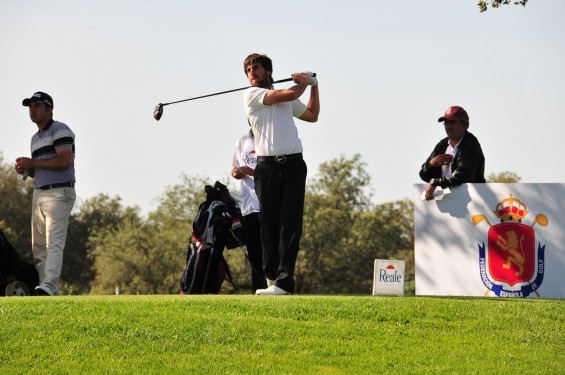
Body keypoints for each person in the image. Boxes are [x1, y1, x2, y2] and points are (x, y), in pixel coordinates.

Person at [242, 53, 320, 295]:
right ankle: (272, 276)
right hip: (267, 168)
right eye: (248, 70)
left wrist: (314, 87)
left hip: (294, 166)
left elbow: (312, 115)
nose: (252, 73)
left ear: (268, 71)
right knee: (269, 225)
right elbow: (291, 93)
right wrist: (302, 84)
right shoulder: (252, 95)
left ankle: (284, 283)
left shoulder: (286, 99)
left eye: (256, 68)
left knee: (290, 225)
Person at [14, 92, 76, 296]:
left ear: (49, 110)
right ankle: (46, 288)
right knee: (39, 246)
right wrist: (27, 170)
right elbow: (39, 169)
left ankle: (49, 286)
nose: (32, 109)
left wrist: (33, 163)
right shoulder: (35, 138)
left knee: (53, 243)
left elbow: (63, 161)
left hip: (59, 192)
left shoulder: (60, 129)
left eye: (37, 106)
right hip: (39, 194)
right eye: (30, 106)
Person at [419, 105, 485, 201]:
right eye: (446, 123)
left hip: (470, 202)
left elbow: (462, 176)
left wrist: (435, 182)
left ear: (465, 125)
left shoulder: (471, 143)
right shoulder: (442, 144)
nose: (448, 126)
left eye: (453, 122)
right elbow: (423, 175)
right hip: (446, 202)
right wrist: (430, 165)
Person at [231, 129, 267, 293]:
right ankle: (257, 289)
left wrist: (253, 172)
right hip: (247, 204)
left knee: (268, 247)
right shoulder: (242, 141)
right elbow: (234, 168)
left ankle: (274, 286)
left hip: (266, 201)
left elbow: (273, 170)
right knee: (253, 250)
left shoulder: (269, 139)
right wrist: (237, 173)